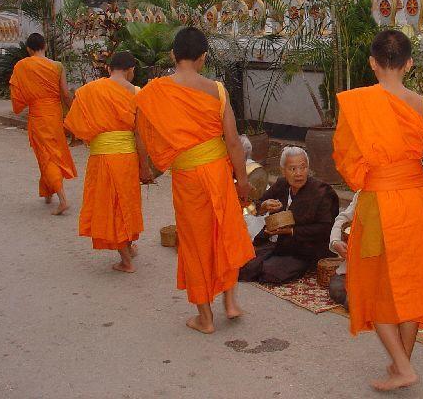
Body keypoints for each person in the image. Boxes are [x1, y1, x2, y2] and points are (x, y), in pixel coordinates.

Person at [333, 29, 423, 391]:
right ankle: (402, 364)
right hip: (416, 201)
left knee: (373, 283)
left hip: (378, 203)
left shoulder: (358, 104)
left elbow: (347, 162)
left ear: (372, 63)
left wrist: (371, 173)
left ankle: (402, 366)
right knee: (413, 281)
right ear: (409, 63)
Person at [135, 27, 254, 334]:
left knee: (195, 242)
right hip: (218, 172)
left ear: (173, 55)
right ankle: (230, 301)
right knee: (225, 232)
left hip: (188, 178)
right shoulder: (217, 90)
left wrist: (146, 168)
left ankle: (205, 317)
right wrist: (242, 181)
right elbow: (233, 142)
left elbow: (143, 133)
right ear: (203, 58)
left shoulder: (153, 91)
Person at [64, 51, 153, 273]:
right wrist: (145, 167)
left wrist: (98, 136)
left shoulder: (89, 91)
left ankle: (126, 261)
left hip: (102, 157)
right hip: (127, 158)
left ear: (108, 68)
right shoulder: (137, 93)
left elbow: (76, 126)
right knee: (126, 203)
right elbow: (140, 135)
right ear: (131, 70)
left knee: (112, 207)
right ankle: (128, 247)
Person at [239, 146, 339, 284]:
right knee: (241, 266)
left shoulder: (322, 192)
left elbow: (326, 228)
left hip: (302, 248)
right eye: (292, 169)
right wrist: (263, 206)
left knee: (270, 273)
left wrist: (291, 231)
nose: (299, 173)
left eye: (303, 168)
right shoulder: (282, 184)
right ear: (283, 171)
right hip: (275, 243)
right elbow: (256, 205)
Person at [10, 33, 76, 215]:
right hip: (54, 115)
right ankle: (48, 192)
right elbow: (65, 93)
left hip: (38, 115)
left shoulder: (22, 66)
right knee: (50, 153)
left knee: (46, 156)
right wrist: (73, 111)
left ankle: (63, 199)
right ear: (45, 46)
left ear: (28, 49)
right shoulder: (57, 66)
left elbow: (17, 94)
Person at [327, 191, 359, 307]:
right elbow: (343, 219)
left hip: (388, 270)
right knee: (337, 290)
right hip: (355, 266)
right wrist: (336, 241)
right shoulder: (363, 194)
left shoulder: (402, 196)